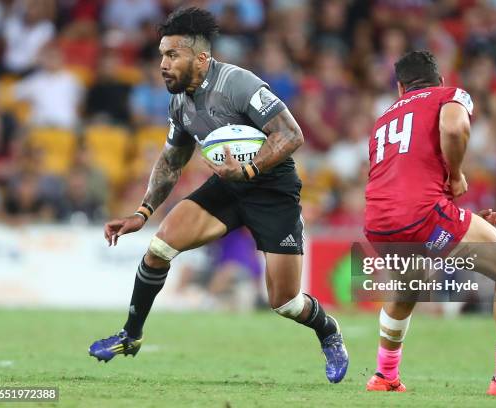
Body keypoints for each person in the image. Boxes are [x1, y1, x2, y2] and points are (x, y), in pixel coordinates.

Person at [88, 7, 348, 384]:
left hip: (272, 190)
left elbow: (291, 135)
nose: (163, 64)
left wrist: (248, 169)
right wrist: (142, 213)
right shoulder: (180, 101)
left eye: (172, 55)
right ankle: (131, 335)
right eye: (162, 55)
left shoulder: (239, 84)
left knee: (286, 303)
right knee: (159, 248)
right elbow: (172, 160)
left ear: (202, 58)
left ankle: (329, 332)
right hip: (228, 186)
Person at [364, 51, 496, 398]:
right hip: (423, 216)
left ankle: (385, 375)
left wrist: (458, 221)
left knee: (408, 288)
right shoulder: (450, 95)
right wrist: (456, 175)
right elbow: (454, 127)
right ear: (439, 79)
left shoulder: (382, 120)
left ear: (399, 88)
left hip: (378, 223)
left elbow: (402, 181)